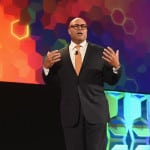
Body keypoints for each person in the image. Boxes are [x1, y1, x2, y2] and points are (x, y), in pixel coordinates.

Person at [42, 17, 122, 150]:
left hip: (96, 114)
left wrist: (116, 67)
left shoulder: (100, 53)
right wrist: (46, 68)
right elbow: (52, 82)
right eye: (76, 26)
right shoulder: (59, 56)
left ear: (86, 30)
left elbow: (111, 80)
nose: (80, 28)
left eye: (83, 26)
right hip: (71, 116)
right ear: (69, 31)